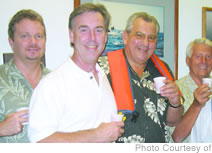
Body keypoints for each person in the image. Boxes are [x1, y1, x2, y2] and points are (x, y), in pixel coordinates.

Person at [28, 3, 124, 143]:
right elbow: (40, 142)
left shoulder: (104, 77)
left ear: (105, 36)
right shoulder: (51, 85)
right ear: (72, 36)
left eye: (98, 30)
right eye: (84, 30)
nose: (92, 37)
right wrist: (96, 135)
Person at [98, 12, 183, 143]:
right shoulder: (101, 68)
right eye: (139, 35)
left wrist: (175, 101)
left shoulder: (163, 70)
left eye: (152, 38)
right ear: (125, 36)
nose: (145, 43)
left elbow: (172, 122)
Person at [0, 9, 50, 143]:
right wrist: (2, 128)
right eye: (25, 36)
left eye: (39, 36)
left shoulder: (58, 81)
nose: (33, 42)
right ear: (11, 42)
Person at [168, 38, 212, 143]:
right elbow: (174, 138)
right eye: (198, 56)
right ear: (187, 60)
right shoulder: (175, 90)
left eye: (208, 57)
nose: (204, 61)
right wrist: (196, 105)